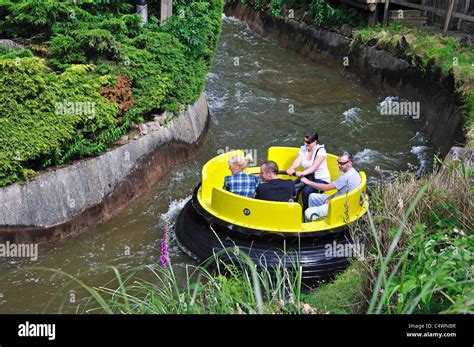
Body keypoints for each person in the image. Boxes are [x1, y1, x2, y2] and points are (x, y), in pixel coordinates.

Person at [301, 151, 361, 221]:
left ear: (349, 164)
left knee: (308, 212)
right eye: (338, 162)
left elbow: (326, 188)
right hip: (341, 200)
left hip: (339, 206)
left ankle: (312, 228)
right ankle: (317, 219)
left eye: (342, 163)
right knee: (312, 196)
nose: (339, 165)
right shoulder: (355, 172)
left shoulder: (345, 177)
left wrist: (308, 182)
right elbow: (344, 190)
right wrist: (331, 197)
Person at [286, 131, 331, 211]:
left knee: (306, 191)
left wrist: (302, 173)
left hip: (320, 180)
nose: (305, 144)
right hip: (308, 176)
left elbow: (314, 167)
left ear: (315, 142)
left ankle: (306, 211)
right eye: (304, 141)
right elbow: (297, 161)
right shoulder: (303, 148)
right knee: (290, 187)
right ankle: (292, 209)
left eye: (308, 142)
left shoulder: (321, 151)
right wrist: (291, 168)